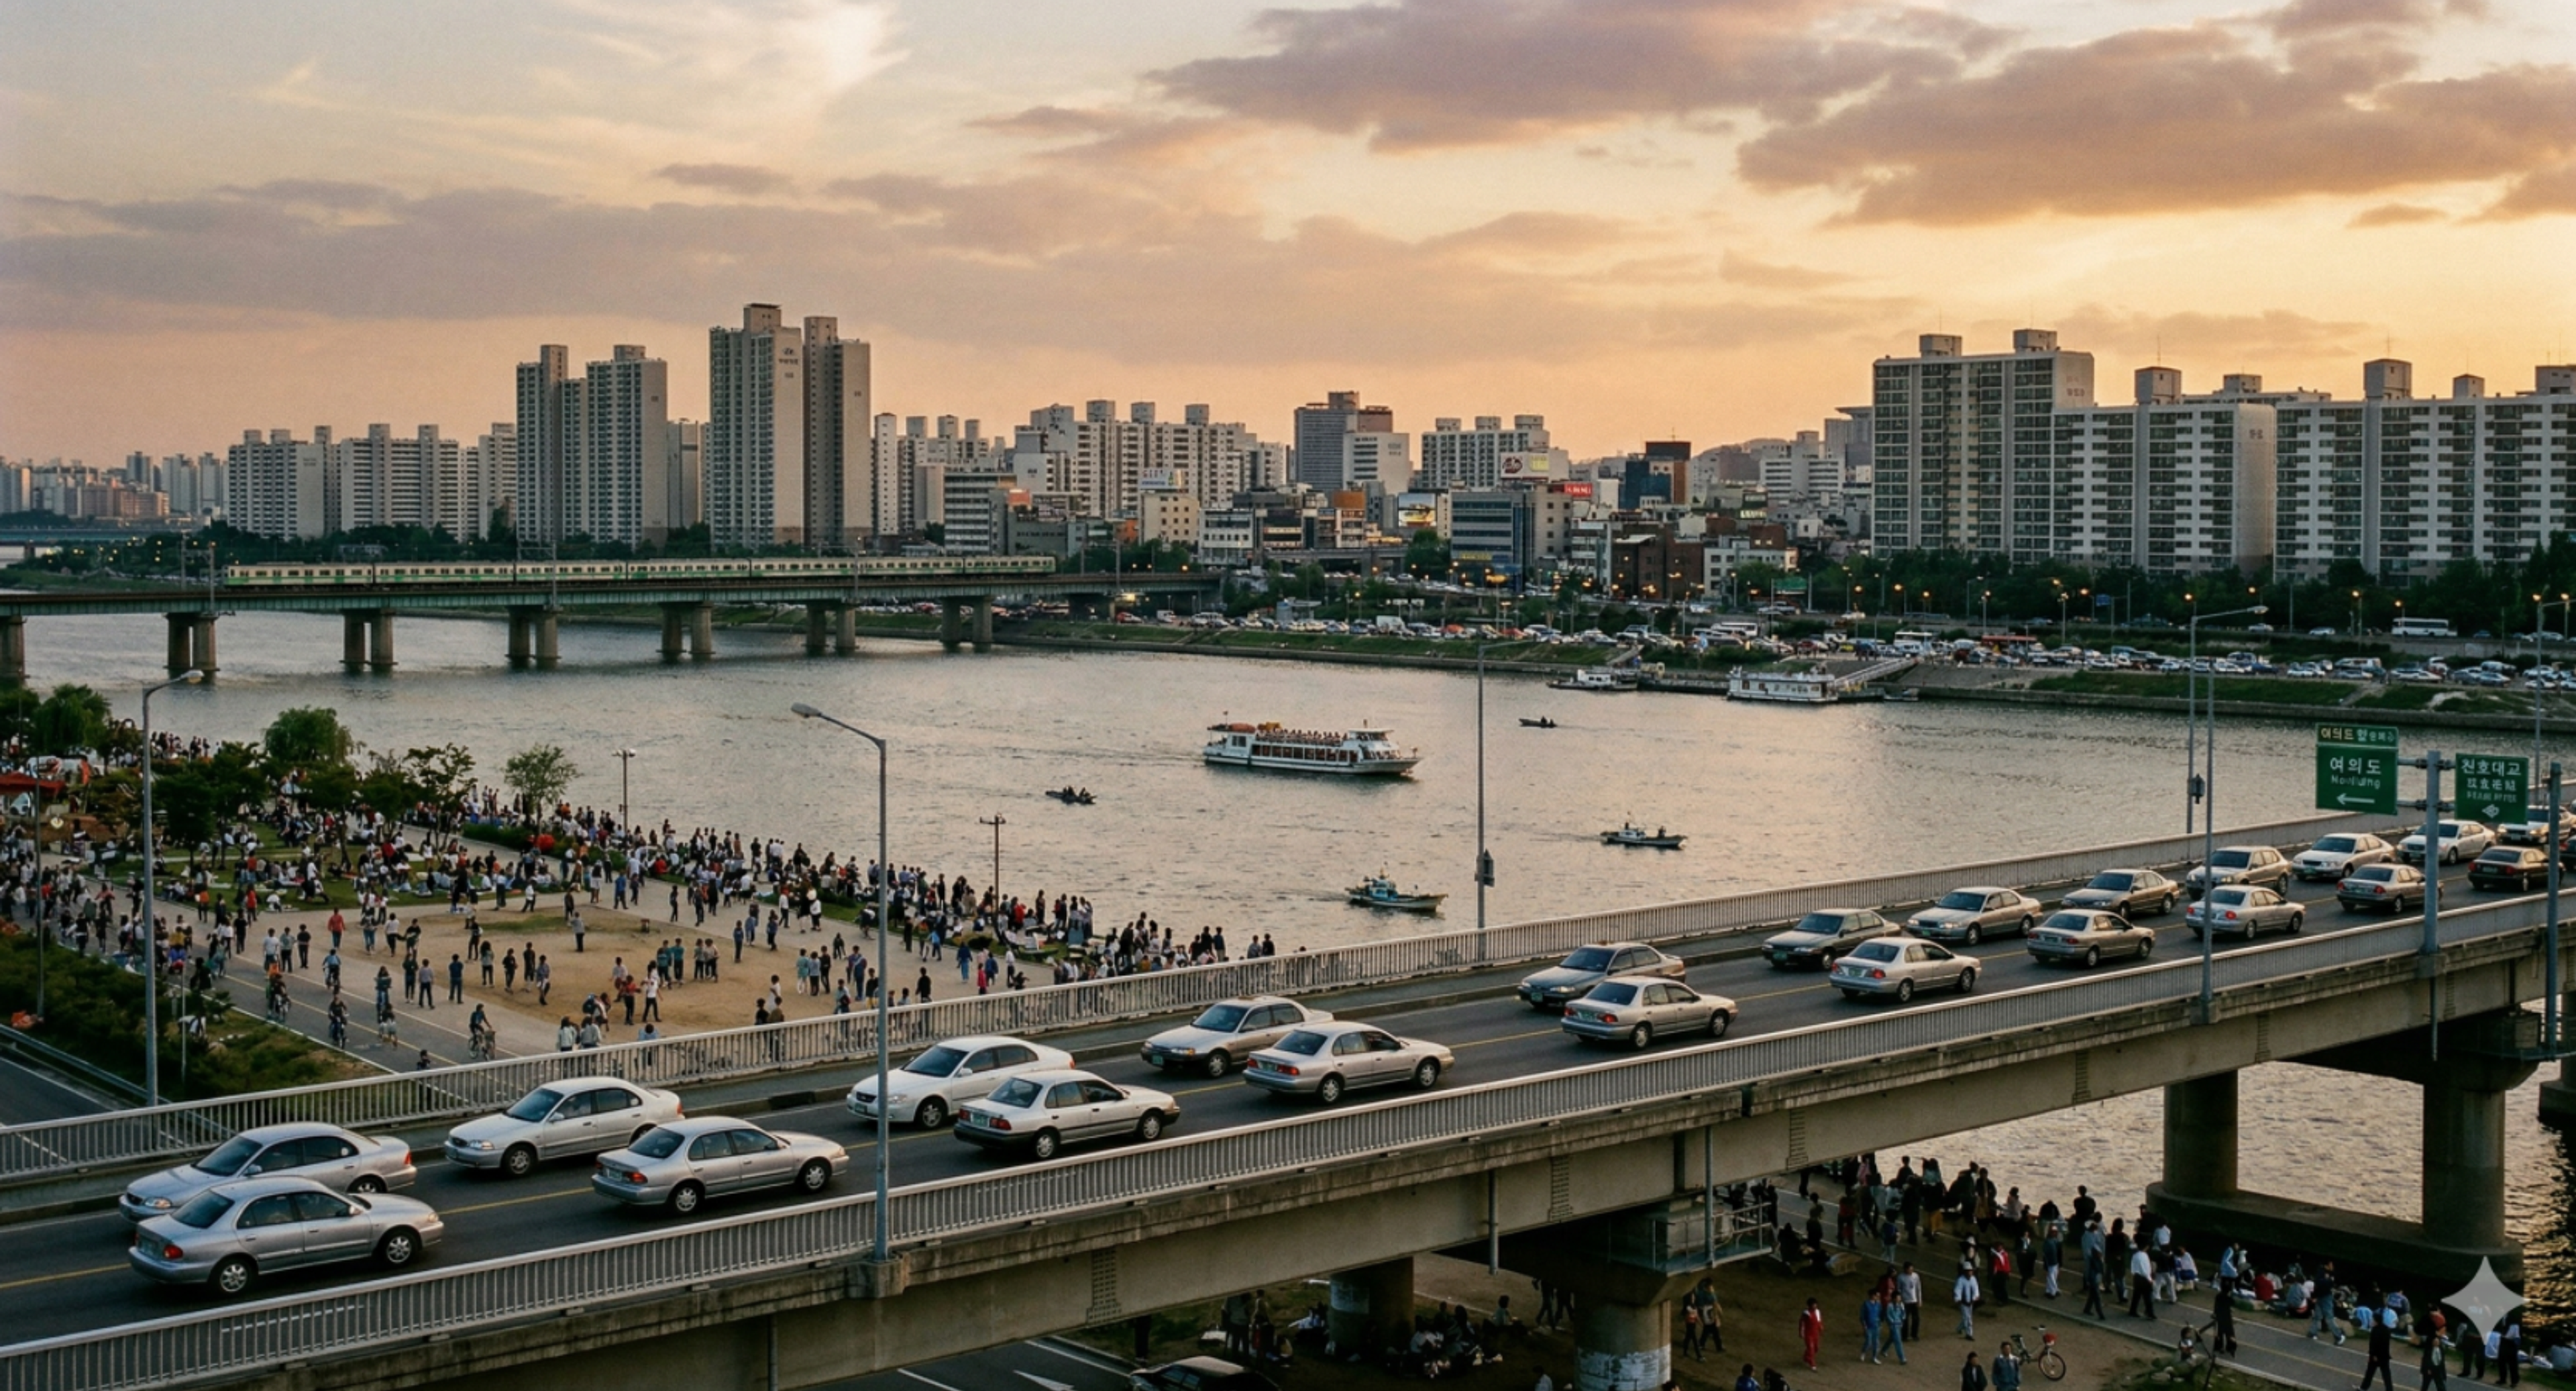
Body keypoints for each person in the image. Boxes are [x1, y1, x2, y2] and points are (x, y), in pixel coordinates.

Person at [2361, 1297, 2397, 1391]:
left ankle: (2364, 1388)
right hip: (2383, 1356)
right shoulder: (2385, 1330)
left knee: (2372, 1373)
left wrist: (2374, 1355)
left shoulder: (2377, 1331)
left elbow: (2378, 1344)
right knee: (2383, 1374)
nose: (2371, 1321)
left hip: (2378, 1356)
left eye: (2373, 1319)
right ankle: (2388, 1389)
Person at [1956, 1266, 1981, 1339]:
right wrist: (1958, 1299)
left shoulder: (1973, 1279)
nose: (1970, 1273)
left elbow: (1976, 1289)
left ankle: (1959, 1328)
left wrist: (1976, 1296)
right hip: (1963, 1302)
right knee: (1968, 1318)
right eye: (1969, 1271)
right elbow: (1958, 1289)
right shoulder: (1961, 1280)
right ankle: (1969, 1334)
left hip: (1970, 1302)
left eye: (1971, 1271)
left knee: (1966, 1318)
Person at [1799, 1298, 1823, 1371]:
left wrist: (1820, 1328)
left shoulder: (1818, 1312)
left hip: (1815, 1333)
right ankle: (1813, 1365)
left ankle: (1806, 1357)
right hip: (1808, 1334)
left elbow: (1819, 1321)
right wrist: (1801, 1332)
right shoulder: (1806, 1313)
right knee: (1811, 1349)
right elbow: (1802, 1323)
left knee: (1816, 1348)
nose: (1815, 1306)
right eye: (1813, 1305)